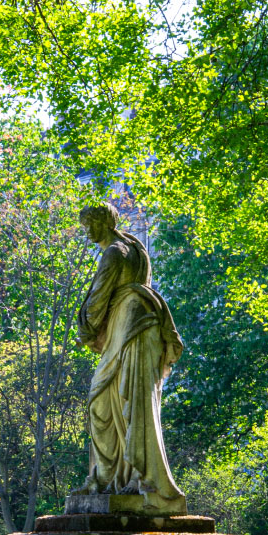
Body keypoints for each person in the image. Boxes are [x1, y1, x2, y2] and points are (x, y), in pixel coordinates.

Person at [76, 202, 186, 513]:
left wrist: (86, 328)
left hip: (131, 328)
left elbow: (99, 296)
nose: (85, 231)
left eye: (89, 224)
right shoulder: (134, 246)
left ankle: (129, 477)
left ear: (104, 223)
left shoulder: (115, 252)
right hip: (138, 328)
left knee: (112, 401)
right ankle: (113, 477)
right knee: (123, 400)